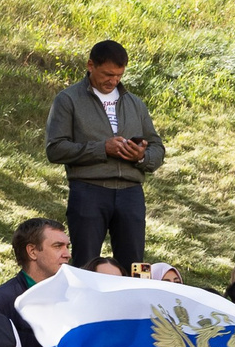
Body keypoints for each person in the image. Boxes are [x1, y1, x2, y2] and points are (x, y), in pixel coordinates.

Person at [45, 40, 164, 274]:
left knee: (135, 264)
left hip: (131, 192)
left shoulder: (135, 104)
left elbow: (158, 148)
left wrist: (141, 156)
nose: (113, 81)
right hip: (88, 189)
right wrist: (102, 149)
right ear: (91, 65)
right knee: (85, 262)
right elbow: (55, 149)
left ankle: (133, 307)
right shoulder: (68, 99)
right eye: (108, 74)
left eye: (119, 75)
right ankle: (83, 309)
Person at [0, 218, 70, 347]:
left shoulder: (71, 296)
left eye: (67, 246)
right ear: (32, 251)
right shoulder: (2, 300)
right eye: (58, 246)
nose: (67, 254)